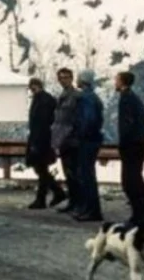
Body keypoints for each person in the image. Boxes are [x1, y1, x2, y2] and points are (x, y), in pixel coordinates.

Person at [115, 71, 144, 225]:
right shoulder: (134, 98)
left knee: (130, 181)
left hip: (131, 146)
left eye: (116, 80)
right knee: (135, 179)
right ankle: (141, 213)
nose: (115, 83)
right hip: (138, 144)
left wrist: (126, 141)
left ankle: (140, 215)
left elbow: (126, 124)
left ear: (122, 82)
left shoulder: (126, 99)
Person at [26, 78, 66, 209]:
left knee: (41, 169)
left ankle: (45, 197)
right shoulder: (45, 99)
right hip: (44, 139)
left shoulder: (42, 101)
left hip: (41, 140)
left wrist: (35, 143)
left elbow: (40, 123)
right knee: (42, 169)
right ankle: (54, 193)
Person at [72, 69, 105, 222]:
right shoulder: (93, 97)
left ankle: (91, 210)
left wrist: (80, 135)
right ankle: (90, 209)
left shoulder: (85, 98)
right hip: (93, 139)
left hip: (87, 140)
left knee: (86, 176)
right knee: (87, 175)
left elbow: (88, 120)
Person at [50, 68, 81, 214]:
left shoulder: (76, 96)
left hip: (72, 139)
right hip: (63, 140)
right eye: (61, 78)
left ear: (72, 78)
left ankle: (77, 203)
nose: (64, 80)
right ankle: (73, 202)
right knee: (68, 173)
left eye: (66, 77)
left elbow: (75, 120)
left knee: (74, 173)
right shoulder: (62, 96)